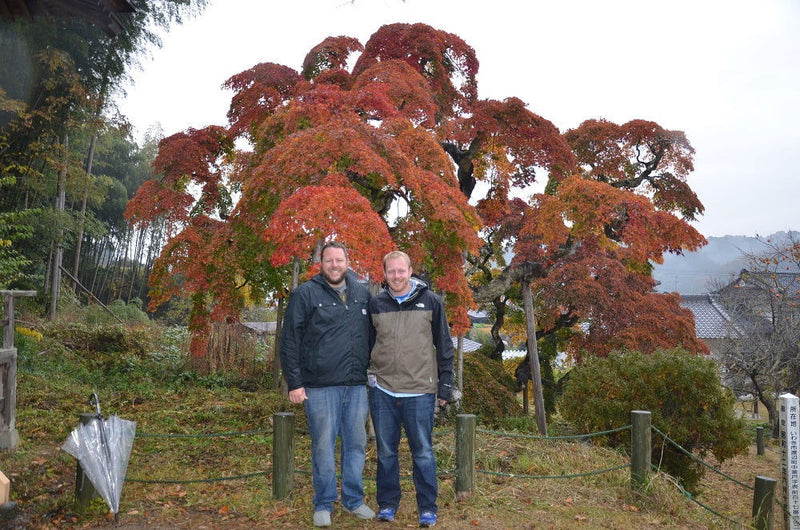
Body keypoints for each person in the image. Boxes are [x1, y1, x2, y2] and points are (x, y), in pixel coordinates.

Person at [280, 241, 375, 527]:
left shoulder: (362, 293)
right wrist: (294, 383)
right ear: (321, 263)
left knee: (356, 445)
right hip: (319, 387)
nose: (335, 265)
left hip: (356, 386)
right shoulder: (305, 294)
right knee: (323, 446)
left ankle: (353, 500)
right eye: (329, 260)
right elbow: (289, 342)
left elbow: (372, 334)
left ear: (348, 261)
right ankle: (323, 502)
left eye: (340, 260)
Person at [368, 250, 455, 528]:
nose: (396, 276)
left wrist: (445, 386)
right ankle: (387, 504)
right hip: (383, 391)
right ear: (384, 274)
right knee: (386, 452)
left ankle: (428, 507)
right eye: (391, 271)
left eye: (401, 270)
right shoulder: (376, 304)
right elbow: (366, 346)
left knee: (423, 452)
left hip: (420, 391)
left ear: (410, 270)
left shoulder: (431, 302)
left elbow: (444, 345)